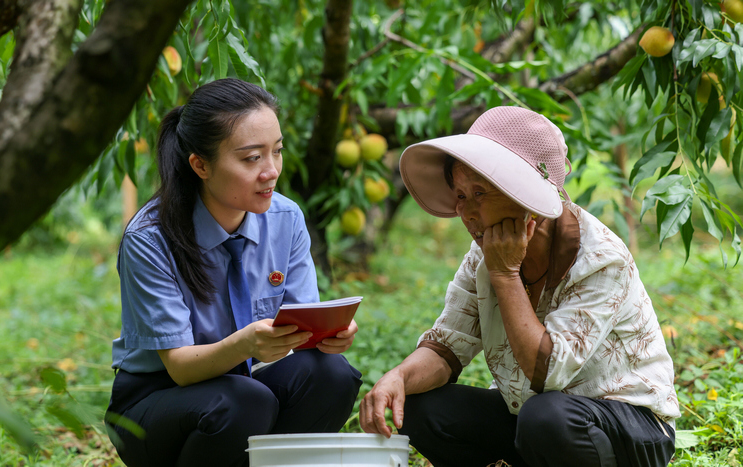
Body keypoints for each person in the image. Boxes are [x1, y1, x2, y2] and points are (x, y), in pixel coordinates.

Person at [359, 106, 679, 467]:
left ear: (527, 197)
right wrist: (398, 378)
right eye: (461, 195)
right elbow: (448, 346)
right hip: (534, 420)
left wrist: (506, 274)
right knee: (421, 407)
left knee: (546, 417)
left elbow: (549, 373)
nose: (467, 213)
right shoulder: (482, 254)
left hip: (626, 426)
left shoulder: (600, 258)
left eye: (480, 193)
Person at [104, 78, 362, 467]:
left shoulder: (286, 219)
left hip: (244, 381)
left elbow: (299, 329)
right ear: (200, 165)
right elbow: (180, 368)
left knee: (332, 374)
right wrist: (244, 345)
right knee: (244, 400)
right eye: (252, 158)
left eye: (277, 151)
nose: (271, 171)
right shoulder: (151, 238)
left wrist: (326, 332)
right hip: (155, 402)